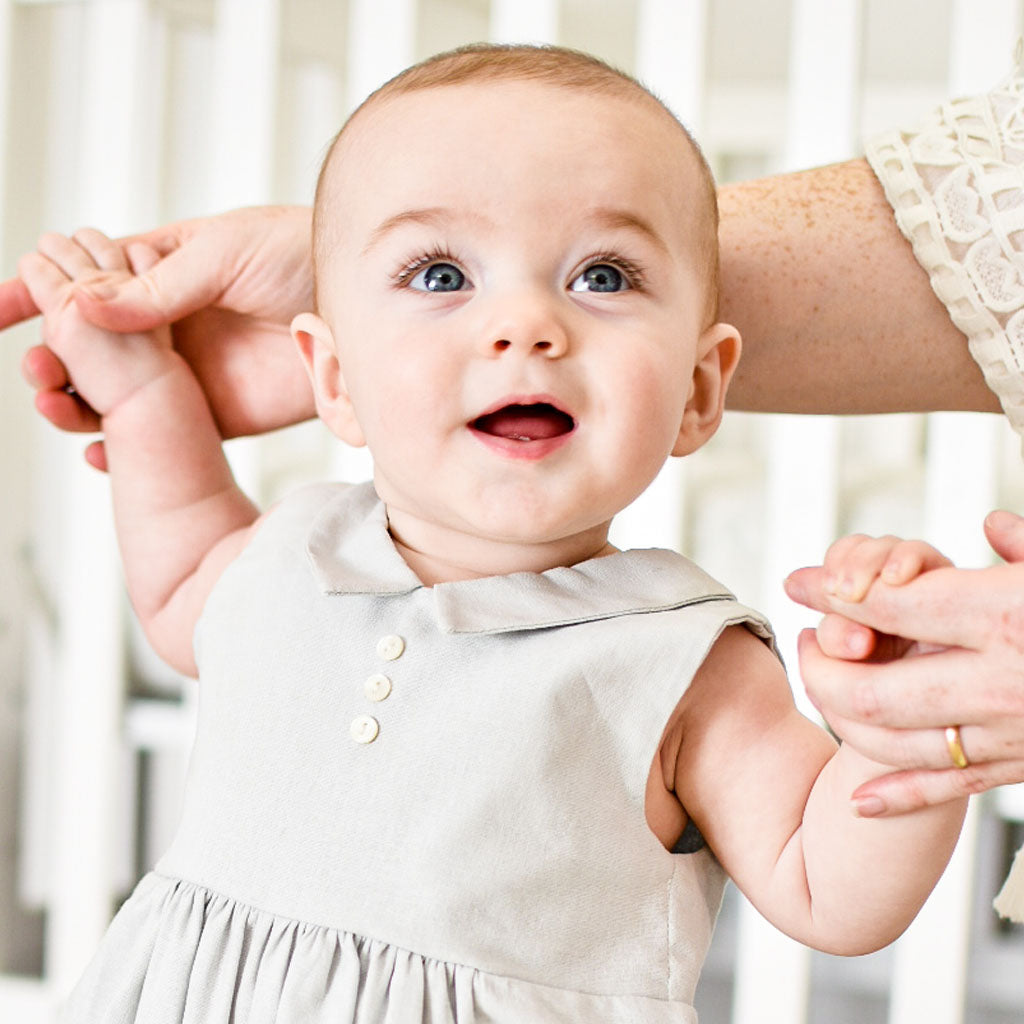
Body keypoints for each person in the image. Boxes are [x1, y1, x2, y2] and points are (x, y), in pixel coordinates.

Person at [16, 43, 965, 1023]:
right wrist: (138, 387)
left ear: (697, 389)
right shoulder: (287, 552)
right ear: (331, 380)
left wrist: (904, 730)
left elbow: (829, 888)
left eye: (600, 274)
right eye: (439, 275)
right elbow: (177, 566)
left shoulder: (681, 659)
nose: (525, 323)